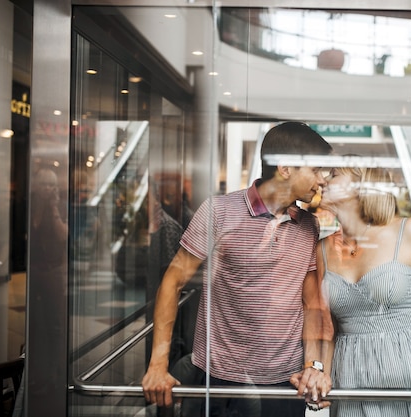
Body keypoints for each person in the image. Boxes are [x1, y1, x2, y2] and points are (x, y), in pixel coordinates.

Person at [142, 122, 334, 416]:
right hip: (219, 379)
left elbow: (310, 304)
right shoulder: (218, 211)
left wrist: (311, 367)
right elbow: (173, 282)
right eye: (315, 169)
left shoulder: (309, 225)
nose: (322, 180)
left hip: (284, 381)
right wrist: (157, 364)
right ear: (285, 168)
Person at [295, 164, 411, 416]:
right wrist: (322, 375)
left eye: (335, 175)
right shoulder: (323, 250)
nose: (324, 181)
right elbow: (328, 324)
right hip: (353, 375)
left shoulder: (410, 232)